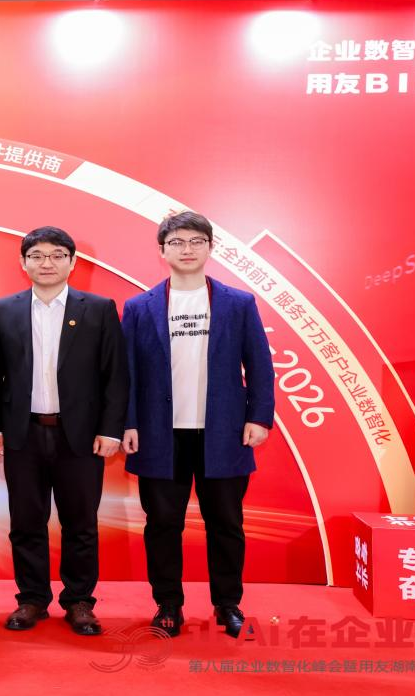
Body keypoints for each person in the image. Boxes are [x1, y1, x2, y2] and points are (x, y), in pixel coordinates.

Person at [120, 211, 275, 639]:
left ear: (210, 248)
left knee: (226, 522)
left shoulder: (238, 303)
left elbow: (259, 365)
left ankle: (228, 604)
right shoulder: (139, 307)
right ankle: (168, 604)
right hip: (159, 435)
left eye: (195, 242)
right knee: (162, 523)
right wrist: (128, 423)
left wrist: (259, 417)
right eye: (176, 242)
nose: (186, 250)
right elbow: (126, 373)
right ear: (162, 250)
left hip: (223, 433)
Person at [0, 226, 128, 637]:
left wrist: (110, 430)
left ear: (72, 262)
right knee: (26, 521)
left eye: (57, 255)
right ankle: (31, 599)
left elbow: (115, 375)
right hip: (22, 434)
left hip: (79, 435)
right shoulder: (4, 309)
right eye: (37, 255)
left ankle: (79, 601)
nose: (47, 263)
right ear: (23, 262)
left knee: (81, 523)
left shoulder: (98, 308)